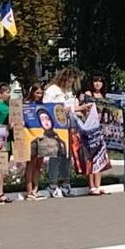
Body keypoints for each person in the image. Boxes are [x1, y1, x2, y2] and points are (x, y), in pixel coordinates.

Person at [40, 69, 78, 198]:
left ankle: (66, 183)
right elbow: (46, 107)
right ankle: (52, 184)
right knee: (55, 155)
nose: (70, 83)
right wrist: (61, 109)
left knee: (67, 155)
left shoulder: (69, 92)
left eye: (72, 81)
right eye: (68, 80)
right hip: (55, 126)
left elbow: (72, 107)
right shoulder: (52, 90)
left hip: (68, 125)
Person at [21, 82, 47, 200]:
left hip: (42, 137)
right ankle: (29, 190)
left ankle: (36, 189)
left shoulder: (44, 106)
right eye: (37, 93)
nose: (39, 95)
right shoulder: (25, 105)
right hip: (30, 137)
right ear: (32, 93)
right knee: (30, 164)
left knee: (39, 164)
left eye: (41, 93)